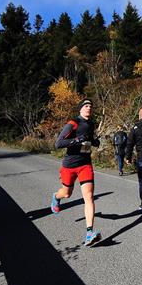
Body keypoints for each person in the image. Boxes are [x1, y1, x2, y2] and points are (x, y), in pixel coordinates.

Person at [50, 99, 102, 246]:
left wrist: (94, 142)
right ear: (80, 109)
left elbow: (89, 139)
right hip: (70, 165)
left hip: (85, 164)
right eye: (86, 106)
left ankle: (89, 233)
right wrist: (78, 139)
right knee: (67, 193)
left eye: (90, 106)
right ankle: (56, 196)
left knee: (89, 197)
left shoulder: (91, 124)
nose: (89, 108)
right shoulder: (73, 123)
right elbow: (59, 143)